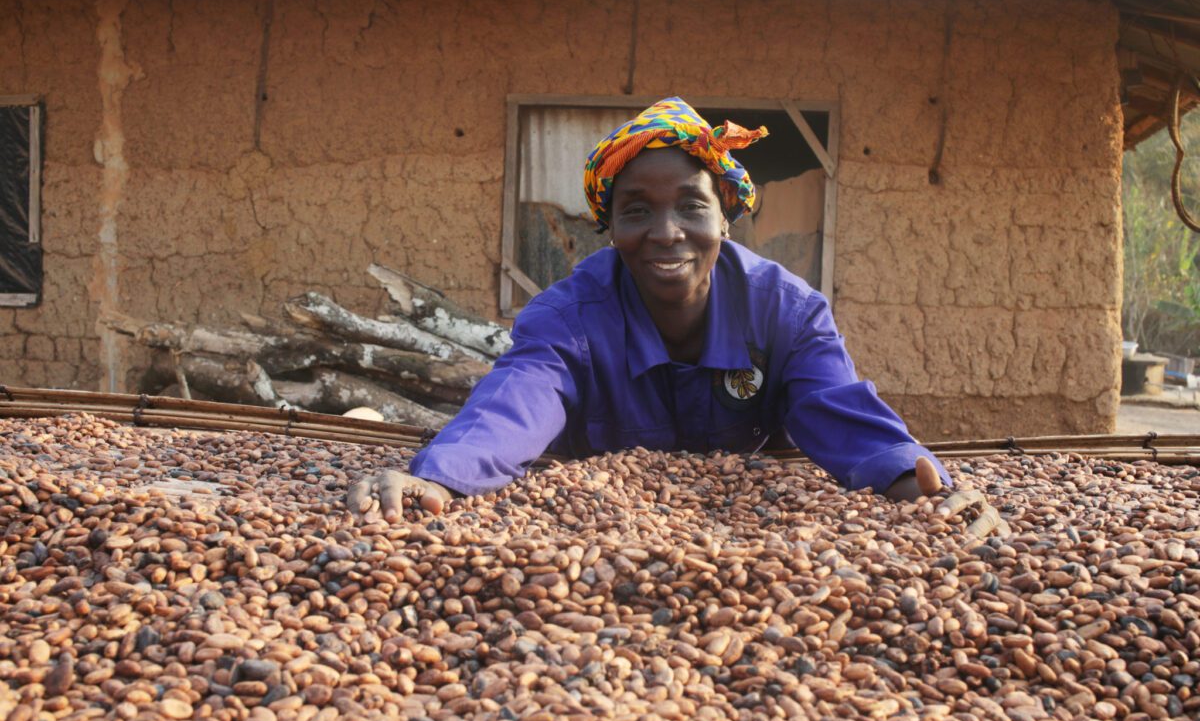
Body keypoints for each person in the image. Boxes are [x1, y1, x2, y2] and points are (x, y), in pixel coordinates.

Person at [350, 98, 969, 523]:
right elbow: (519, 396)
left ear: (726, 216)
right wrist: (442, 478)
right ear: (611, 226)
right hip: (595, 526)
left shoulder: (787, 313)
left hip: (745, 528)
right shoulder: (570, 315)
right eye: (638, 210)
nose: (667, 233)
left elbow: (836, 410)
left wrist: (918, 485)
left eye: (692, 208)